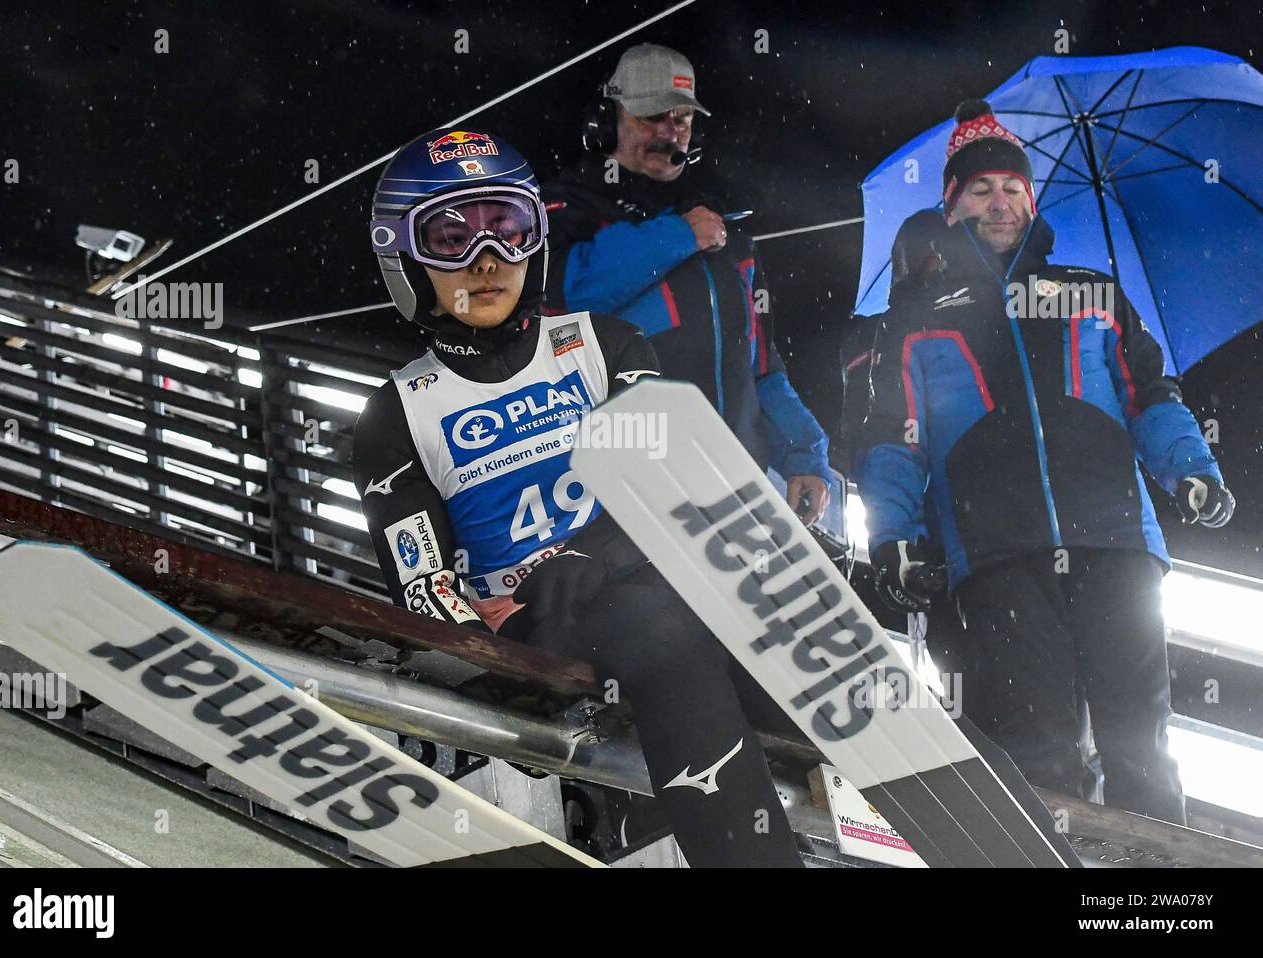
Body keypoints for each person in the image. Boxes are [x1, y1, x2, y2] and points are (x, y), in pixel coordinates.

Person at [353, 127, 803, 867]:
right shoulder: (398, 413)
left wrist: (581, 556)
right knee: (656, 618)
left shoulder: (606, 344)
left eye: (507, 228)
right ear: (404, 255)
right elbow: (426, 588)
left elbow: (658, 492)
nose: (486, 258)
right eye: (450, 237)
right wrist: (500, 652)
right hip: (542, 628)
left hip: (650, 589)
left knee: (735, 591)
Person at [856, 99, 1235, 824]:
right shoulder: (915, 313)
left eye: (1012, 188)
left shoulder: (1091, 289)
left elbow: (1150, 396)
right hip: (997, 554)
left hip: (1117, 542)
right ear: (952, 202)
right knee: (1038, 748)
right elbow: (891, 437)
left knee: (1141, 745)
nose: (999, 202)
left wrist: (1192, 470)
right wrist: (891, 537)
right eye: (980, 189)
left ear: (1032, 198)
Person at [543, 43, 834, 527]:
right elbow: (562, 297)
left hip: (733, 493)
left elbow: (762, 365)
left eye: (681, 119)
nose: (668, 132)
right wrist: (676, 236)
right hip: (618, 497)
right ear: (607, 118)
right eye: (652, 116)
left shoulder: (727, 229)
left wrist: (805, 453)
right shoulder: (562, 205)